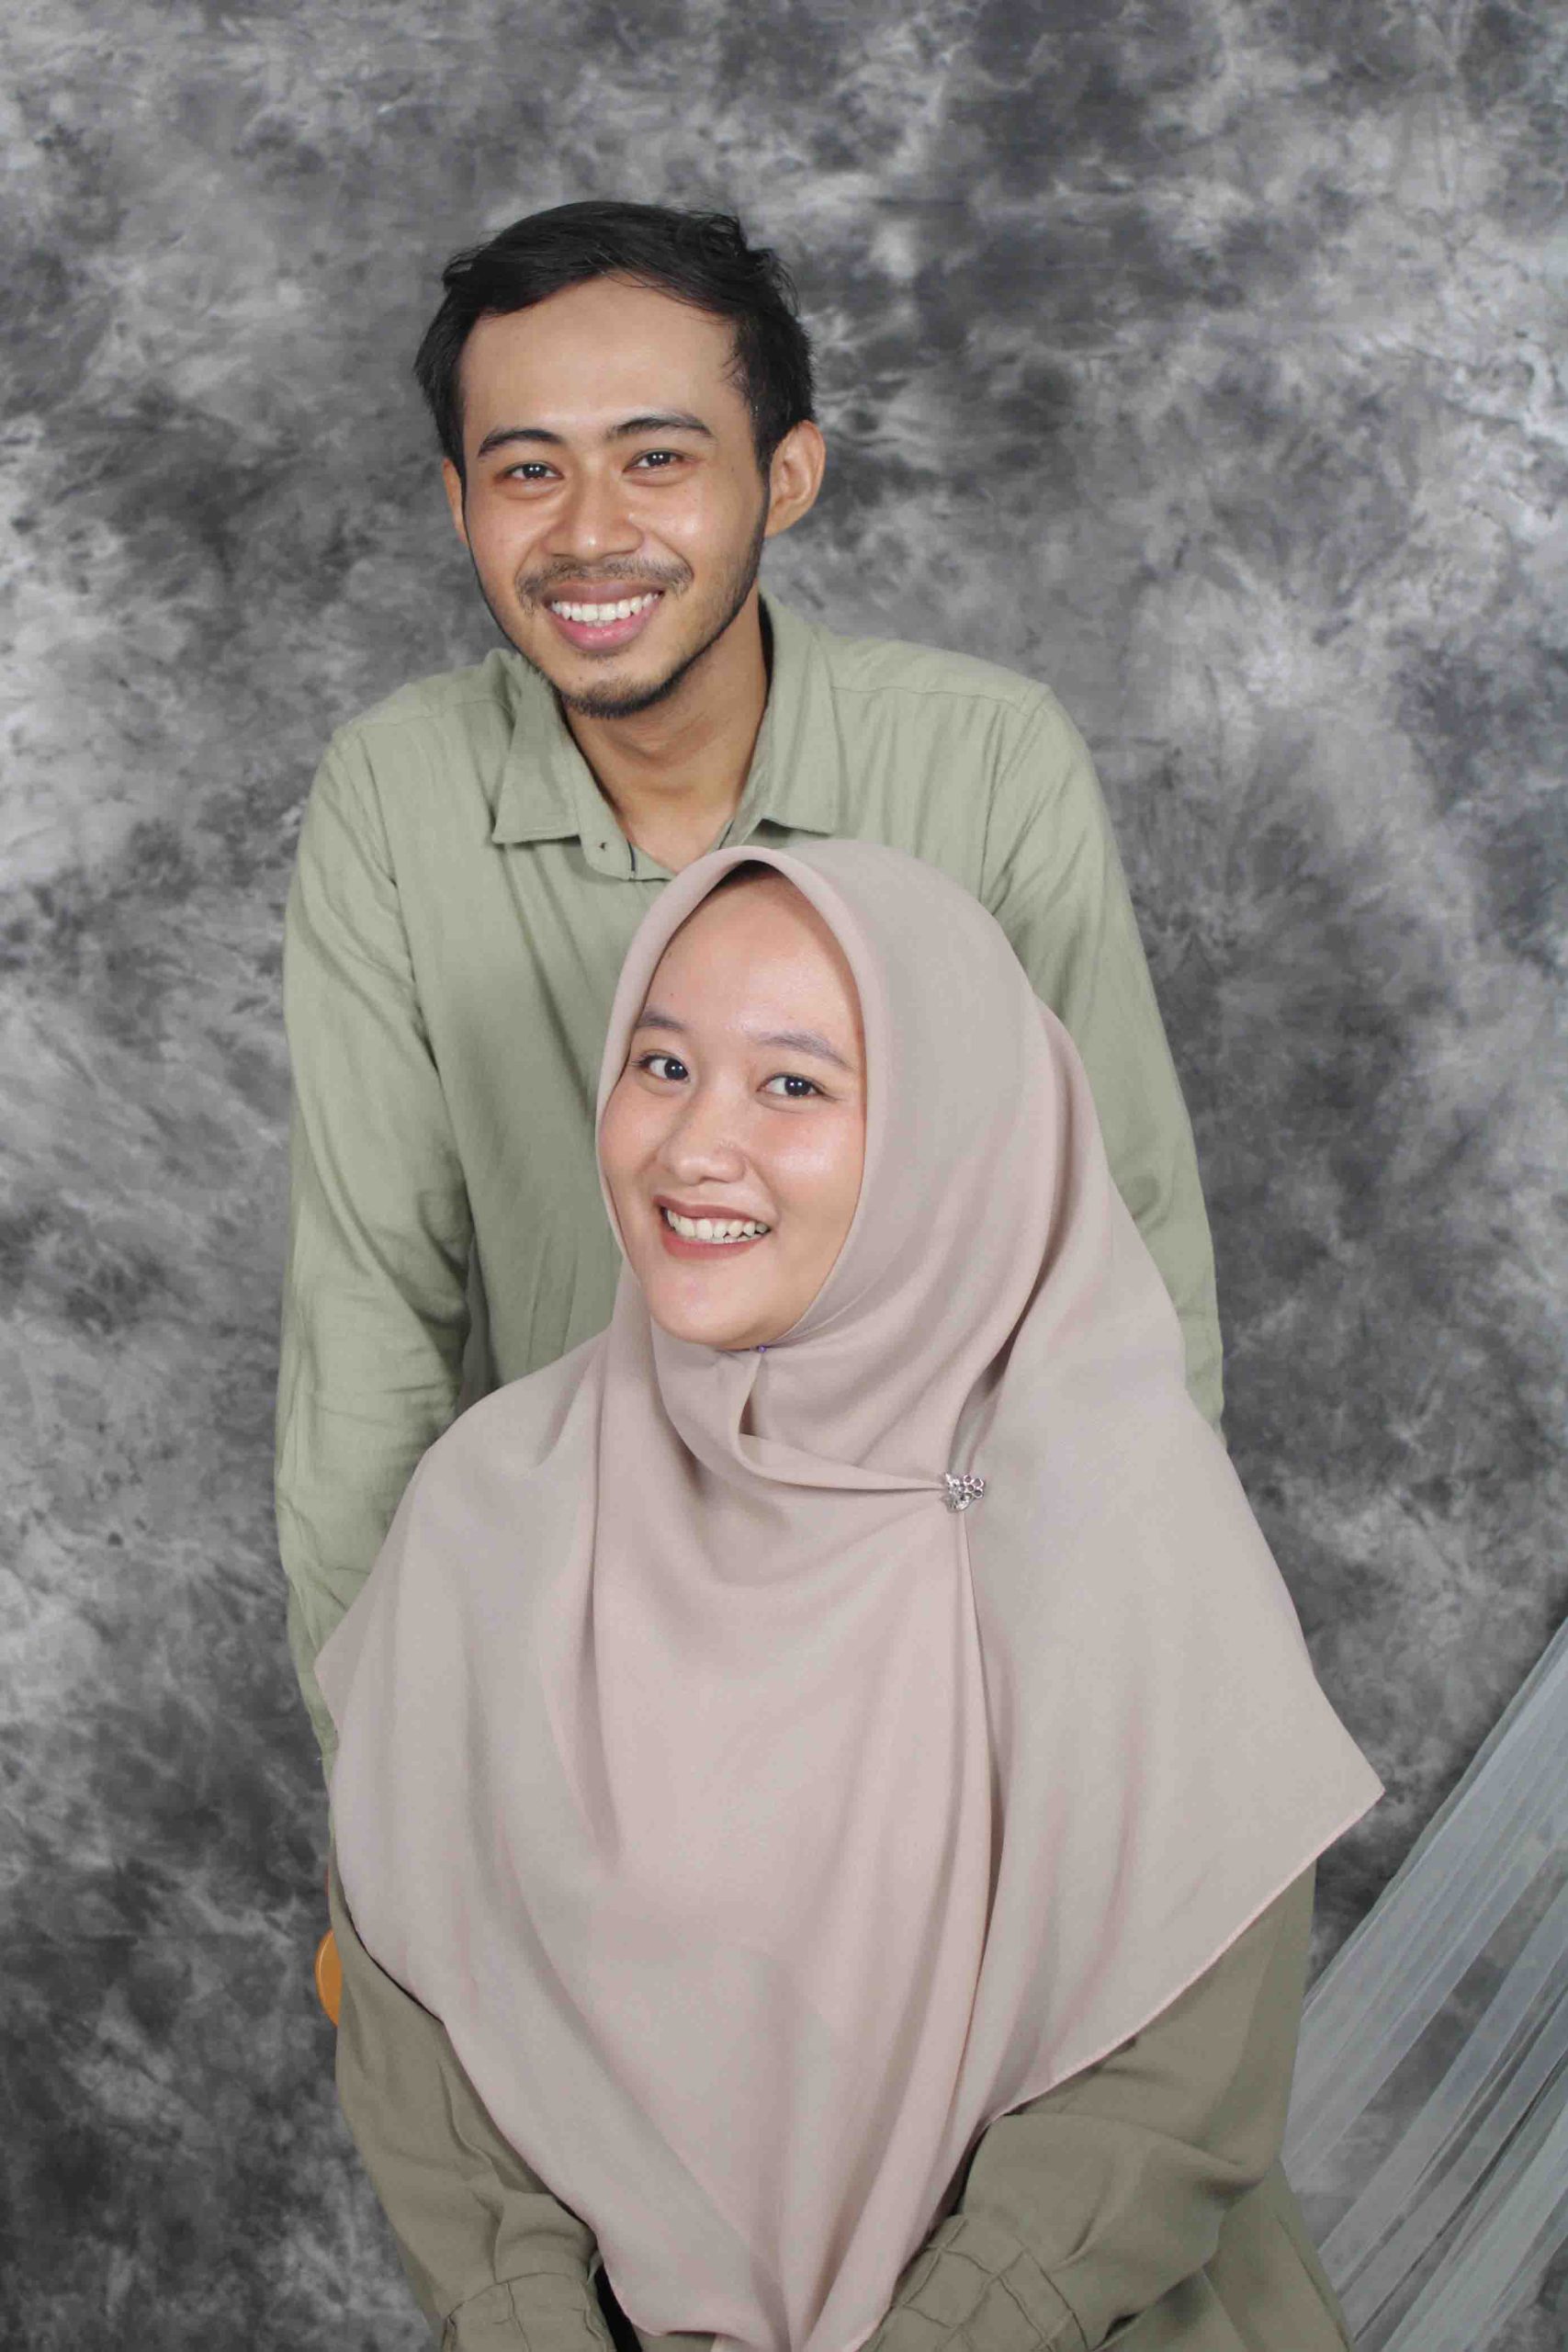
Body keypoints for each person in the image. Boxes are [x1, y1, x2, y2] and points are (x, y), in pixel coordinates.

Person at [316, 842, 1382, 2352]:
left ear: (949, 1132)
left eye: (794, 1085)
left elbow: (1168, 2090)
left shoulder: (1120, 1521)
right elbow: (417, 2017)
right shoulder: (493, 1509)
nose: (696, 1145)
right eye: (662, 1065)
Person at [276, 199, 1227, 1764]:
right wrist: (386, 1766)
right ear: (458, 502)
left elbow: (1124, 1264)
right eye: (528, 470)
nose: (589, 533)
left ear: (786, 475)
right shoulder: (394, 795)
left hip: (934, 1649)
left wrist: (1093, 1708)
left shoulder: (987, 763)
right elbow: (372, 1313)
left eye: (656, 458)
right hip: (563, 1648)